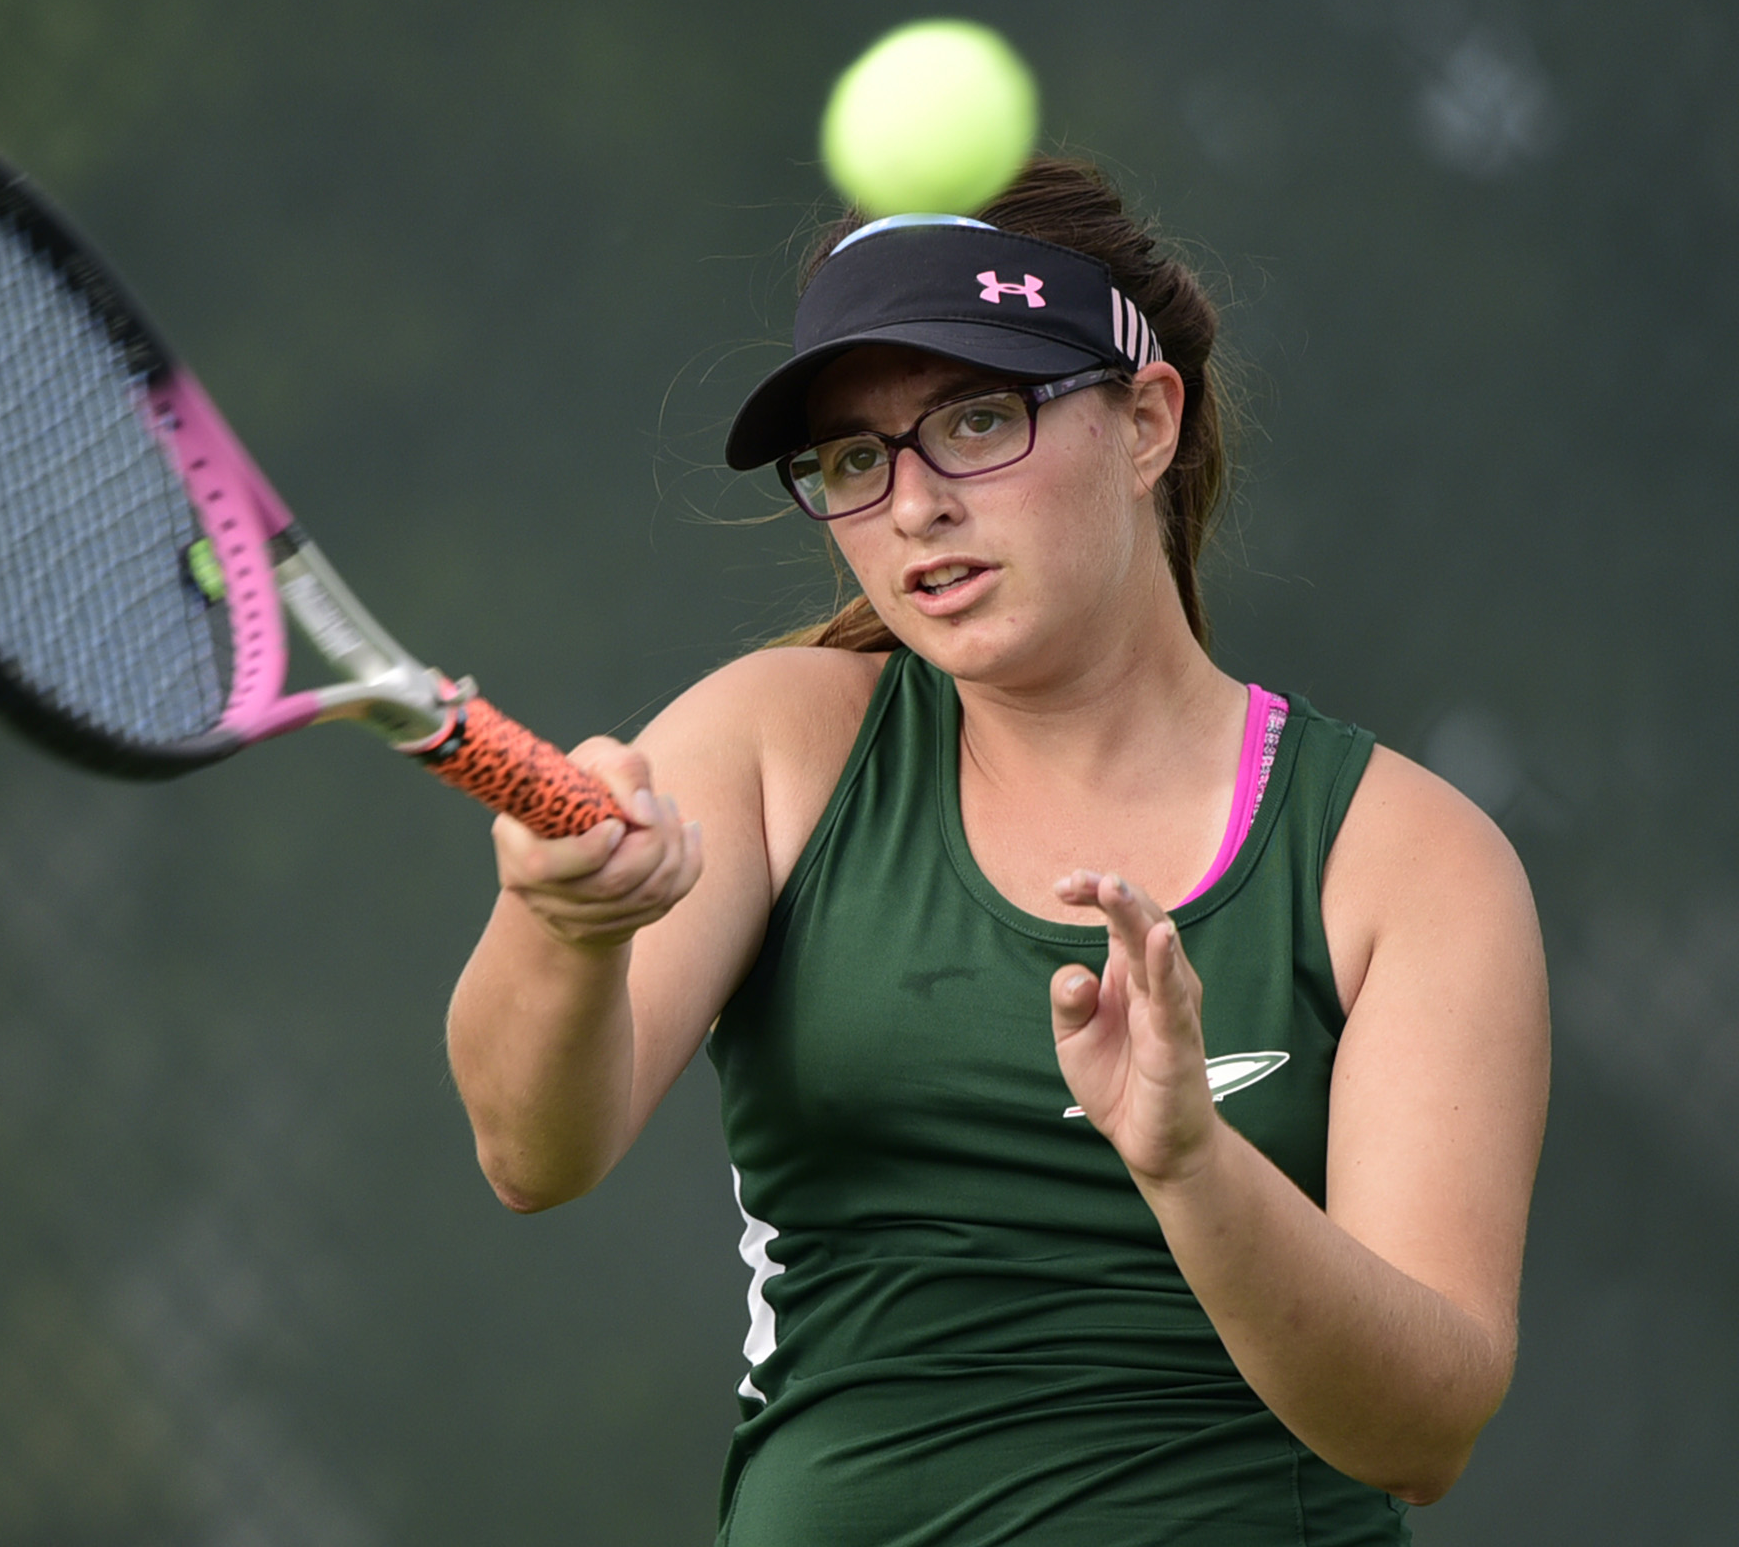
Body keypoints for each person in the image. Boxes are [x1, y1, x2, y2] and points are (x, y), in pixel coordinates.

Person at [446, 159, 1548, 1545]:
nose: (910, 507)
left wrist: (1193, 1168)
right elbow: (529, 1152)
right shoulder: (781, 743)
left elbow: (1422, 1432)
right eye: (854, 457)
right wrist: (566, 930)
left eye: (976, 420)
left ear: (1147, 422)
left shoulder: (1409, 859)